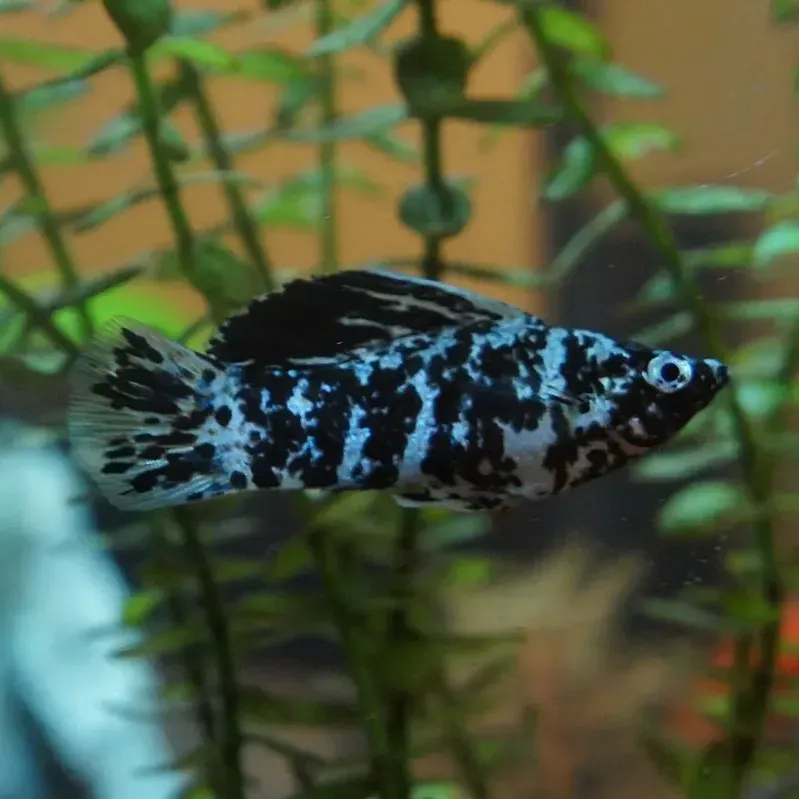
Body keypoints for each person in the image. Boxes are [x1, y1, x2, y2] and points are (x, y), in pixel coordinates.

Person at [0, 407, 188, 799]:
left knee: (123, 755)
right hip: (67, 664)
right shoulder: (29, 462)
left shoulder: (23, 466)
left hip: (80, 656)